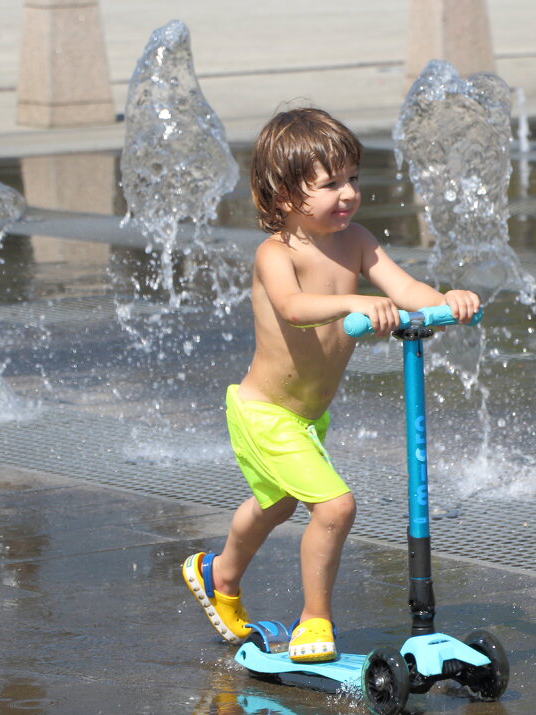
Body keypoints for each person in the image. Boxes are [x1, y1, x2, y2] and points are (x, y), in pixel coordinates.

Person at [183, 107, 481, 664]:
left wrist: (448, 302)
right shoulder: (276, 254)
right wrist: (354, 300)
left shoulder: (358, 240)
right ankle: (314, 618)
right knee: (335, 507)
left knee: (276, 505)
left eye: (352, 180)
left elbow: (405, 286)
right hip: (263, 411)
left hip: (305, 415)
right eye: (328, 184)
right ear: (282, 195)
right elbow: (295, 309)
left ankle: (219, 573)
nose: (346, 194)